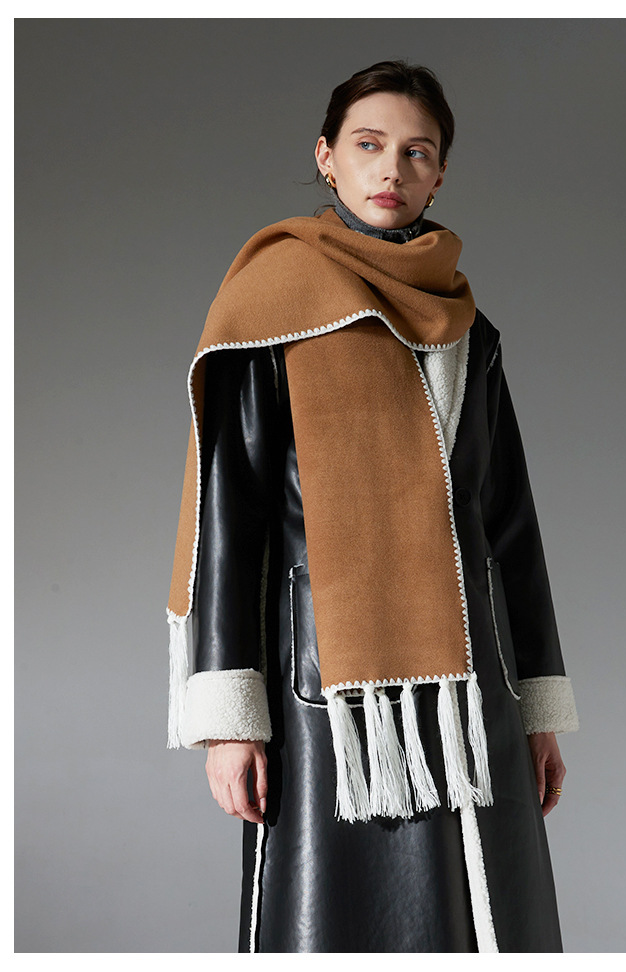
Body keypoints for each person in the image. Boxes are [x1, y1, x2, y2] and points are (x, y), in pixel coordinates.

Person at [166, 60, 579, 954]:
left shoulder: (469, 330)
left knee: (482, 922)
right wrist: (229, 725)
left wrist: (538, 707)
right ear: (327, 157)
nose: (391, 168)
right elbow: (229, 522)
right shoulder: (271, 307)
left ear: (439, 175)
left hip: (474, 689)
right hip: (334, 696)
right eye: (368, 144)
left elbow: (509, 524)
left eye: (416, 151)